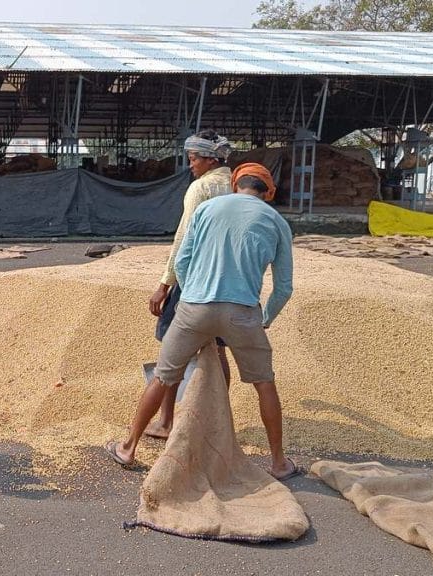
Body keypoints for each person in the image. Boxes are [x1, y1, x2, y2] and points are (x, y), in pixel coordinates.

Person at [107, 162, 297, 481]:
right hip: (243, 312)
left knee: (164, 377)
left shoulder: (207, 209)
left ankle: (127, 448)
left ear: (236, 184)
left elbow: (182, 261)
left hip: (194, 307)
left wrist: (193, 296)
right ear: (269, 193)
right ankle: (278, 463)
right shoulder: (277, 222)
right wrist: (263, 320)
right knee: (264, 384)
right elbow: (284, 288)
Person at [144, 130, 234, 440]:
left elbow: (183, 239)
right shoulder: (237, 184)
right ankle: (217, 421)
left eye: (193, 159)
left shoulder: (202, 188)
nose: (190, 164)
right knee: (220, 351)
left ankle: (166, 421)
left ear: (210, 159)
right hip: (229, 283)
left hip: (195, 280)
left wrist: (165, 284)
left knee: (173, 351)